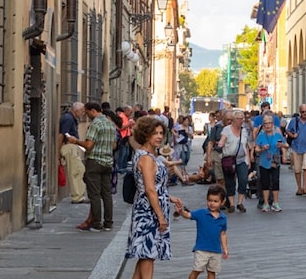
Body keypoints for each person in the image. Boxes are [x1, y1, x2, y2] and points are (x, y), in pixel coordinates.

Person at [128, 117, 180, 279]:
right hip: (148, 212)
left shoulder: (148, 155)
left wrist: (169, 197)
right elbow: (149, 189)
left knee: (145, 255)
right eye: (154, 133)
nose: (159, 136)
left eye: (161, 133)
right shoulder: (147, 158)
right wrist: (160, 216)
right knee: (148, 256)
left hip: (148, 208)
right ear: (145, 135)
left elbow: (152, 187)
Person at [79, 102, 120, 231]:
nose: (87, 115)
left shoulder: (95, 124)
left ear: (92, 111)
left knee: (94, 194)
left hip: (95, 161)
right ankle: (108, 223)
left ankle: (96, 223)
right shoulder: (110, 124)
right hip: (108, 162)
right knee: (106, 194)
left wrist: (75, 141)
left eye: (87, 112)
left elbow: (89, 145)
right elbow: (114, 146)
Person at [173, 185, 230, 279]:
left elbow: (223, 234)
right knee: (197, 270)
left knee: (212, 272)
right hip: (202, 249)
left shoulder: (223, 218)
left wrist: (225, 248)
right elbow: (188, 215)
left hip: (216, 250)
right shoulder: (201, 213)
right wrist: (181, 211)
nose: (212, 203)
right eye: (210, 200)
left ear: (222, 202)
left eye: (215, 201)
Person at [219, 111, 250, 213]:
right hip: (229, 160)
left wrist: (248, 160)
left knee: (243, 180)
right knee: (230, 181)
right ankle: (232, 204)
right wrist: (221, 143)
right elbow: (222, 140)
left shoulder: (244, 131)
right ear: (233, 120)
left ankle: (240, 203)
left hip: (242, 160)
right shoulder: (226, 130)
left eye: (242, 119)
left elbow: (246, 145)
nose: (241, 121)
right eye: (239, 119)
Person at [253, 120, 286, 212]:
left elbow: (286, 145)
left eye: (270, 123)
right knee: (265, 183)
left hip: (275, 161)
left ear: (273, 125)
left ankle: (276, 203)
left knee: (275, 182)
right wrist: (262, 149)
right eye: (266, 124)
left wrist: (282, 146)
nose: (268, 126)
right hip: (264, 162)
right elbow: (256, 149)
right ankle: (266, 203)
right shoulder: (261, 136)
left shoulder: (277, 135)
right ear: (263, 125)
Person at [62, 102, 88, 203]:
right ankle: (77, 197)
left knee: (79, 170)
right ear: (76, 110)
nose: (83, 113)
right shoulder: (68, 119)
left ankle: (79, 195)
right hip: (69, 147)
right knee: (76, 171)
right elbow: (63, 134)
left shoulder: (71, 118)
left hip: (73, 147)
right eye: (82, 111)